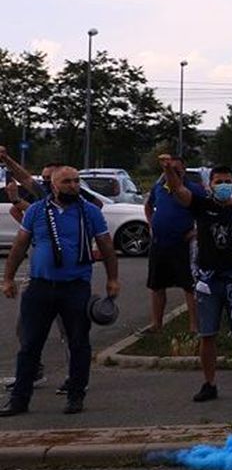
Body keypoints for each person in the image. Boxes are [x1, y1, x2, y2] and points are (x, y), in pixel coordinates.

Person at [1, 166, 119, 416]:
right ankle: (19, 399)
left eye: (76, 181)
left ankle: (76, 395)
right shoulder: (37, 210)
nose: (73, 186)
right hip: (40, 286)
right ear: (53, 186)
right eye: (67, 182)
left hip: (75, 287)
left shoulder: (89, 212)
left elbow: (106, 246)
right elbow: (20, 245)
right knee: (30, 344)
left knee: (78, 342)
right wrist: (8, 278)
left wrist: (113, 279)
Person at [161, 158, 232, 402]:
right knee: (207, 334)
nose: (223, 186)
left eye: (228, 182)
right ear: (210, 185)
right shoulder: (201, 205)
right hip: (208, 280)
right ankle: (209, 383)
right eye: (219, 182)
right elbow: (178, 190)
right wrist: (168, 170)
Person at [144, 155, 203, 334]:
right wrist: (152, 223)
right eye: (168, 169)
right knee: (157, 285)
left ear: (183, 170)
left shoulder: (194, 189)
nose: (172, 172)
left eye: (176, 169)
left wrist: (197, 231)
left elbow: (206, 212)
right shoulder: (159, 188)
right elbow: (148, 206)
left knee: (189, 286)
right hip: (159, 243)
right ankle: (156, 324)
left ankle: (194, 326)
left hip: (183, 244)